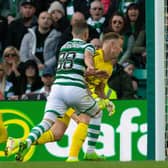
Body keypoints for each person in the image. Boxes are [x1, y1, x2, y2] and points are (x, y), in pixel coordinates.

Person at [15, 21, 100, 162]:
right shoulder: (88, 45)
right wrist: (90, 67)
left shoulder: (64, 47)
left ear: (72, 33)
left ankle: (26, 142)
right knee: (97, 113)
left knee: (46, 122)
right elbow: (87, 58)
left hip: (57, 88)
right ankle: (89, 151)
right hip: (74, 88)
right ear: (86, 34)